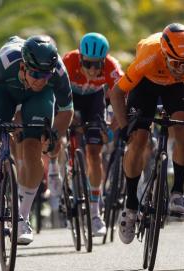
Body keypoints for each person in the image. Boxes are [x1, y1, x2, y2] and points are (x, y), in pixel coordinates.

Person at [0, 35, 73, 245]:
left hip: (38, 99)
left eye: (45, 75)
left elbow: (67, 110)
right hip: (3, 92)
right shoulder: (4, 63)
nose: (40, 80)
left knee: (32, 147)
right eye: (35, 74)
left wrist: (54, 135)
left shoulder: (58, 71)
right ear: (23, 66)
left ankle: (22, 216)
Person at [110, 23, 184, 244]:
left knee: (183, 130)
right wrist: (126, 128)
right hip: (146, 85)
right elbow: (116, 93)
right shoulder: (149, 56)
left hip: (177, 87)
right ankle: (131, 205)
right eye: (176, 63)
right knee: (139, 140)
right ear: (165, 53)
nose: (181, 68)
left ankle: (177, 191)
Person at [59, 32, 123, 237]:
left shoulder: (112, 67)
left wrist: (111, 130)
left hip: (94, 101)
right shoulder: (67, 61)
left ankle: (95, 214)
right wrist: (62, 120)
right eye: (88, 64)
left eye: (98, 65)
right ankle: (61, 172)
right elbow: (52, 93)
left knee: (94, 152)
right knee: (62, 138)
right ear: (80, 58)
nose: (93, 70)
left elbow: (123, 98)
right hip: (69, 99)